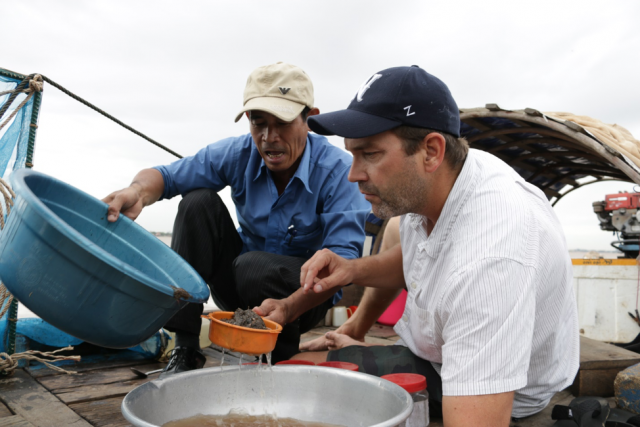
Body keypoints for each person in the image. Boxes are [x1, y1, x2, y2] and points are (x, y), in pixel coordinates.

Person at [298, 65, 579, 425]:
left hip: (503, 389)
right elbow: (421, 258)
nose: (353, 174)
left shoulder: (489, 259)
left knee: (320, 385)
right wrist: (351, 269)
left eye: (369, 154)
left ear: (431, 151)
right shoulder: (446, 178)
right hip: (443, 354)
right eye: (352, 154)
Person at [103, 62, 370, 373]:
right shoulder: (239, 153)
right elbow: (167, 176)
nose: (269, 137)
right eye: (259, 123)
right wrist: (137, 192)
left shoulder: (337, 170)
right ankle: (186, 348)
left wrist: (288, 307)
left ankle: (278, 362)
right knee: (197, 202)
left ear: (308, 119)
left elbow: (341, 265)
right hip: (239, 288)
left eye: (282, 123)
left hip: (302, 301)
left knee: (253, 267)